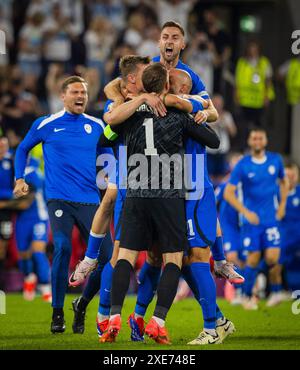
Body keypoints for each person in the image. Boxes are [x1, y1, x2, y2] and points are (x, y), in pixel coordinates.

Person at [101, 62, 220, 344]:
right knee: (173, 260)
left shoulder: (127, 116)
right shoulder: (178, 115)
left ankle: (114, 317)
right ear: (166, 86)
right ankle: (158, 322)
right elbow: (213, 141)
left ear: (144, 86)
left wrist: (132, 105)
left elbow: (106, 135)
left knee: (126, 258)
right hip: (168, 197)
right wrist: (198, 113)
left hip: (137, 195)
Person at [13, 75, 113, 333]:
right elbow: (22, 149)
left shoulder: (97, 125)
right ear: (63, 96)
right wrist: (19, 178)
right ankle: (57, 313)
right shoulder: (46, 123)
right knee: (62, 246)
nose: (81, 97)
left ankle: (82, 304)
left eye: (84, 93)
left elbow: (109, 157)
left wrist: (114, 178)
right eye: (75, 92)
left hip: (91, 200)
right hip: (59, 198)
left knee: (107, 257)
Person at [224, 128, 288, 310]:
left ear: (265, 140)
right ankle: (245, 295)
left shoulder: (276, 161)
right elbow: (229, 193)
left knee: (272, 257)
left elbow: (284, 182)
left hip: (271, 219)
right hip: (252, 222)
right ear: (250, 142)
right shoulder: (243, 165)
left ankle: (275, 292)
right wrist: (245, 211)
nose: (257, 141)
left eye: (260, 137)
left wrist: (282, 205)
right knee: (252, 259)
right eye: (254, 138)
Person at [215, 152, 245, 305]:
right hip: (229, 226)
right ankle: (234, 289)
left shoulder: (249, 182)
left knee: (247, 259)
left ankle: (245, 290)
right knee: (232, 256)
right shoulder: (226, 183)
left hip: (245, 225)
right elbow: (214, 200)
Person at [235, 41, 274, 146]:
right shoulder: (242, 62)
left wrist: (267, 96)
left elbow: (268, 81)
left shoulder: (264, 63)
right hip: (245, 99)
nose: (252, 51)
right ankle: (244, 147)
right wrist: (237, 95)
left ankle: (258, 146)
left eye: (255, 48)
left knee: (259, 126)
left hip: (258, 100)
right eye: (250, 48)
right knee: (244, 126)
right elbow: (237, 81)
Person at [277, 162, 300, 302]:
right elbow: (278, 216)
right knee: (278, 267)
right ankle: (280, 292)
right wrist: (284, 197)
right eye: (287, 176)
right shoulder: (275, 194)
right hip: (283, 241)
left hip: (298, 241)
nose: (290, 179)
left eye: (292, 176)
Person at [277, 56, 300, 154]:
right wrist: (285, 84)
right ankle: (289, 150)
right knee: (291, 129)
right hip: (293, 101)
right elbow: (279, 74)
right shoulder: (292, 63)